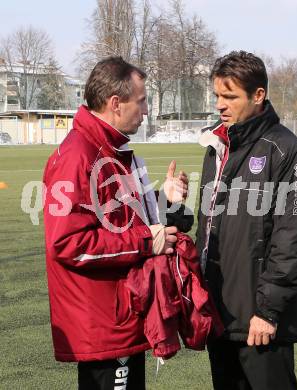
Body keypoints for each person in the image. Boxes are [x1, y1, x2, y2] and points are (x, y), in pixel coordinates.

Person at [43, 56, 190, 390]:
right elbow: (67, 243)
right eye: (141, 101)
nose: (146, 110)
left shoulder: (112, 150)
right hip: (104, 320)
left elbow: (124, 221)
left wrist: (164, 202)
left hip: (121, 314)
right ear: (115, 103)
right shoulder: (80, 155)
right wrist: (144, 241)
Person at [196, 51, 297, 390]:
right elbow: (208, 230)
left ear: (258, 95)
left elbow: (293, 240)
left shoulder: (286, 151)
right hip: (221, 311)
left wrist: (267, 310)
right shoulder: (217, 147)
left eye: (230, 96)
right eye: (217, 95)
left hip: (260, 316)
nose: (220, 104)